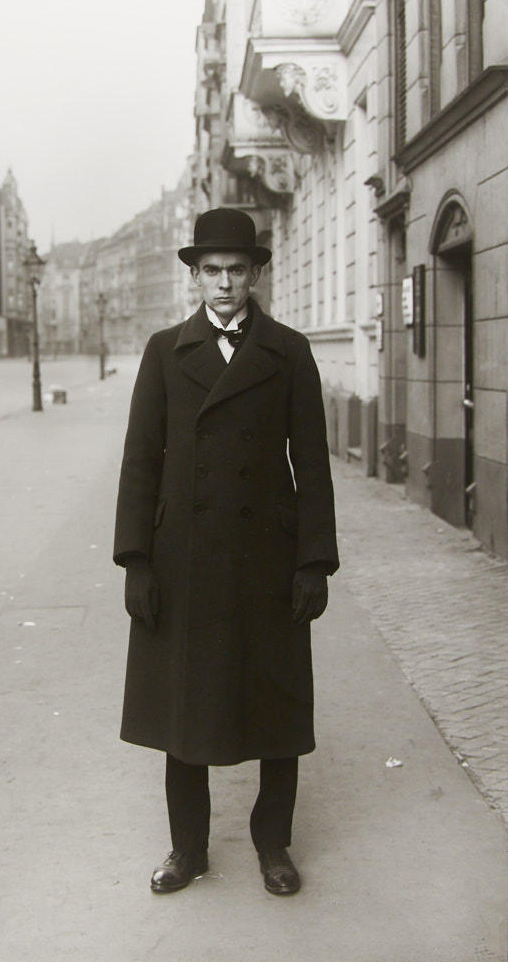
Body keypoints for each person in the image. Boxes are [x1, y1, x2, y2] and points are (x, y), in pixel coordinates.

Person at [113, 207, 339, 896]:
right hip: (183, 556)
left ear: (255, 274)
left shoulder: (289, 349)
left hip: (264, 557)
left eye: (236, 270)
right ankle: (189, 851)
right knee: (184, 707)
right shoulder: (163, 350)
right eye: (210, 271)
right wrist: (136, 560)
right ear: (194, 276)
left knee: (274, 704)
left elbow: (313, 461)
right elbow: (139, 460)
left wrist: (312, 560)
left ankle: (273, 845)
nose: (223, 283)